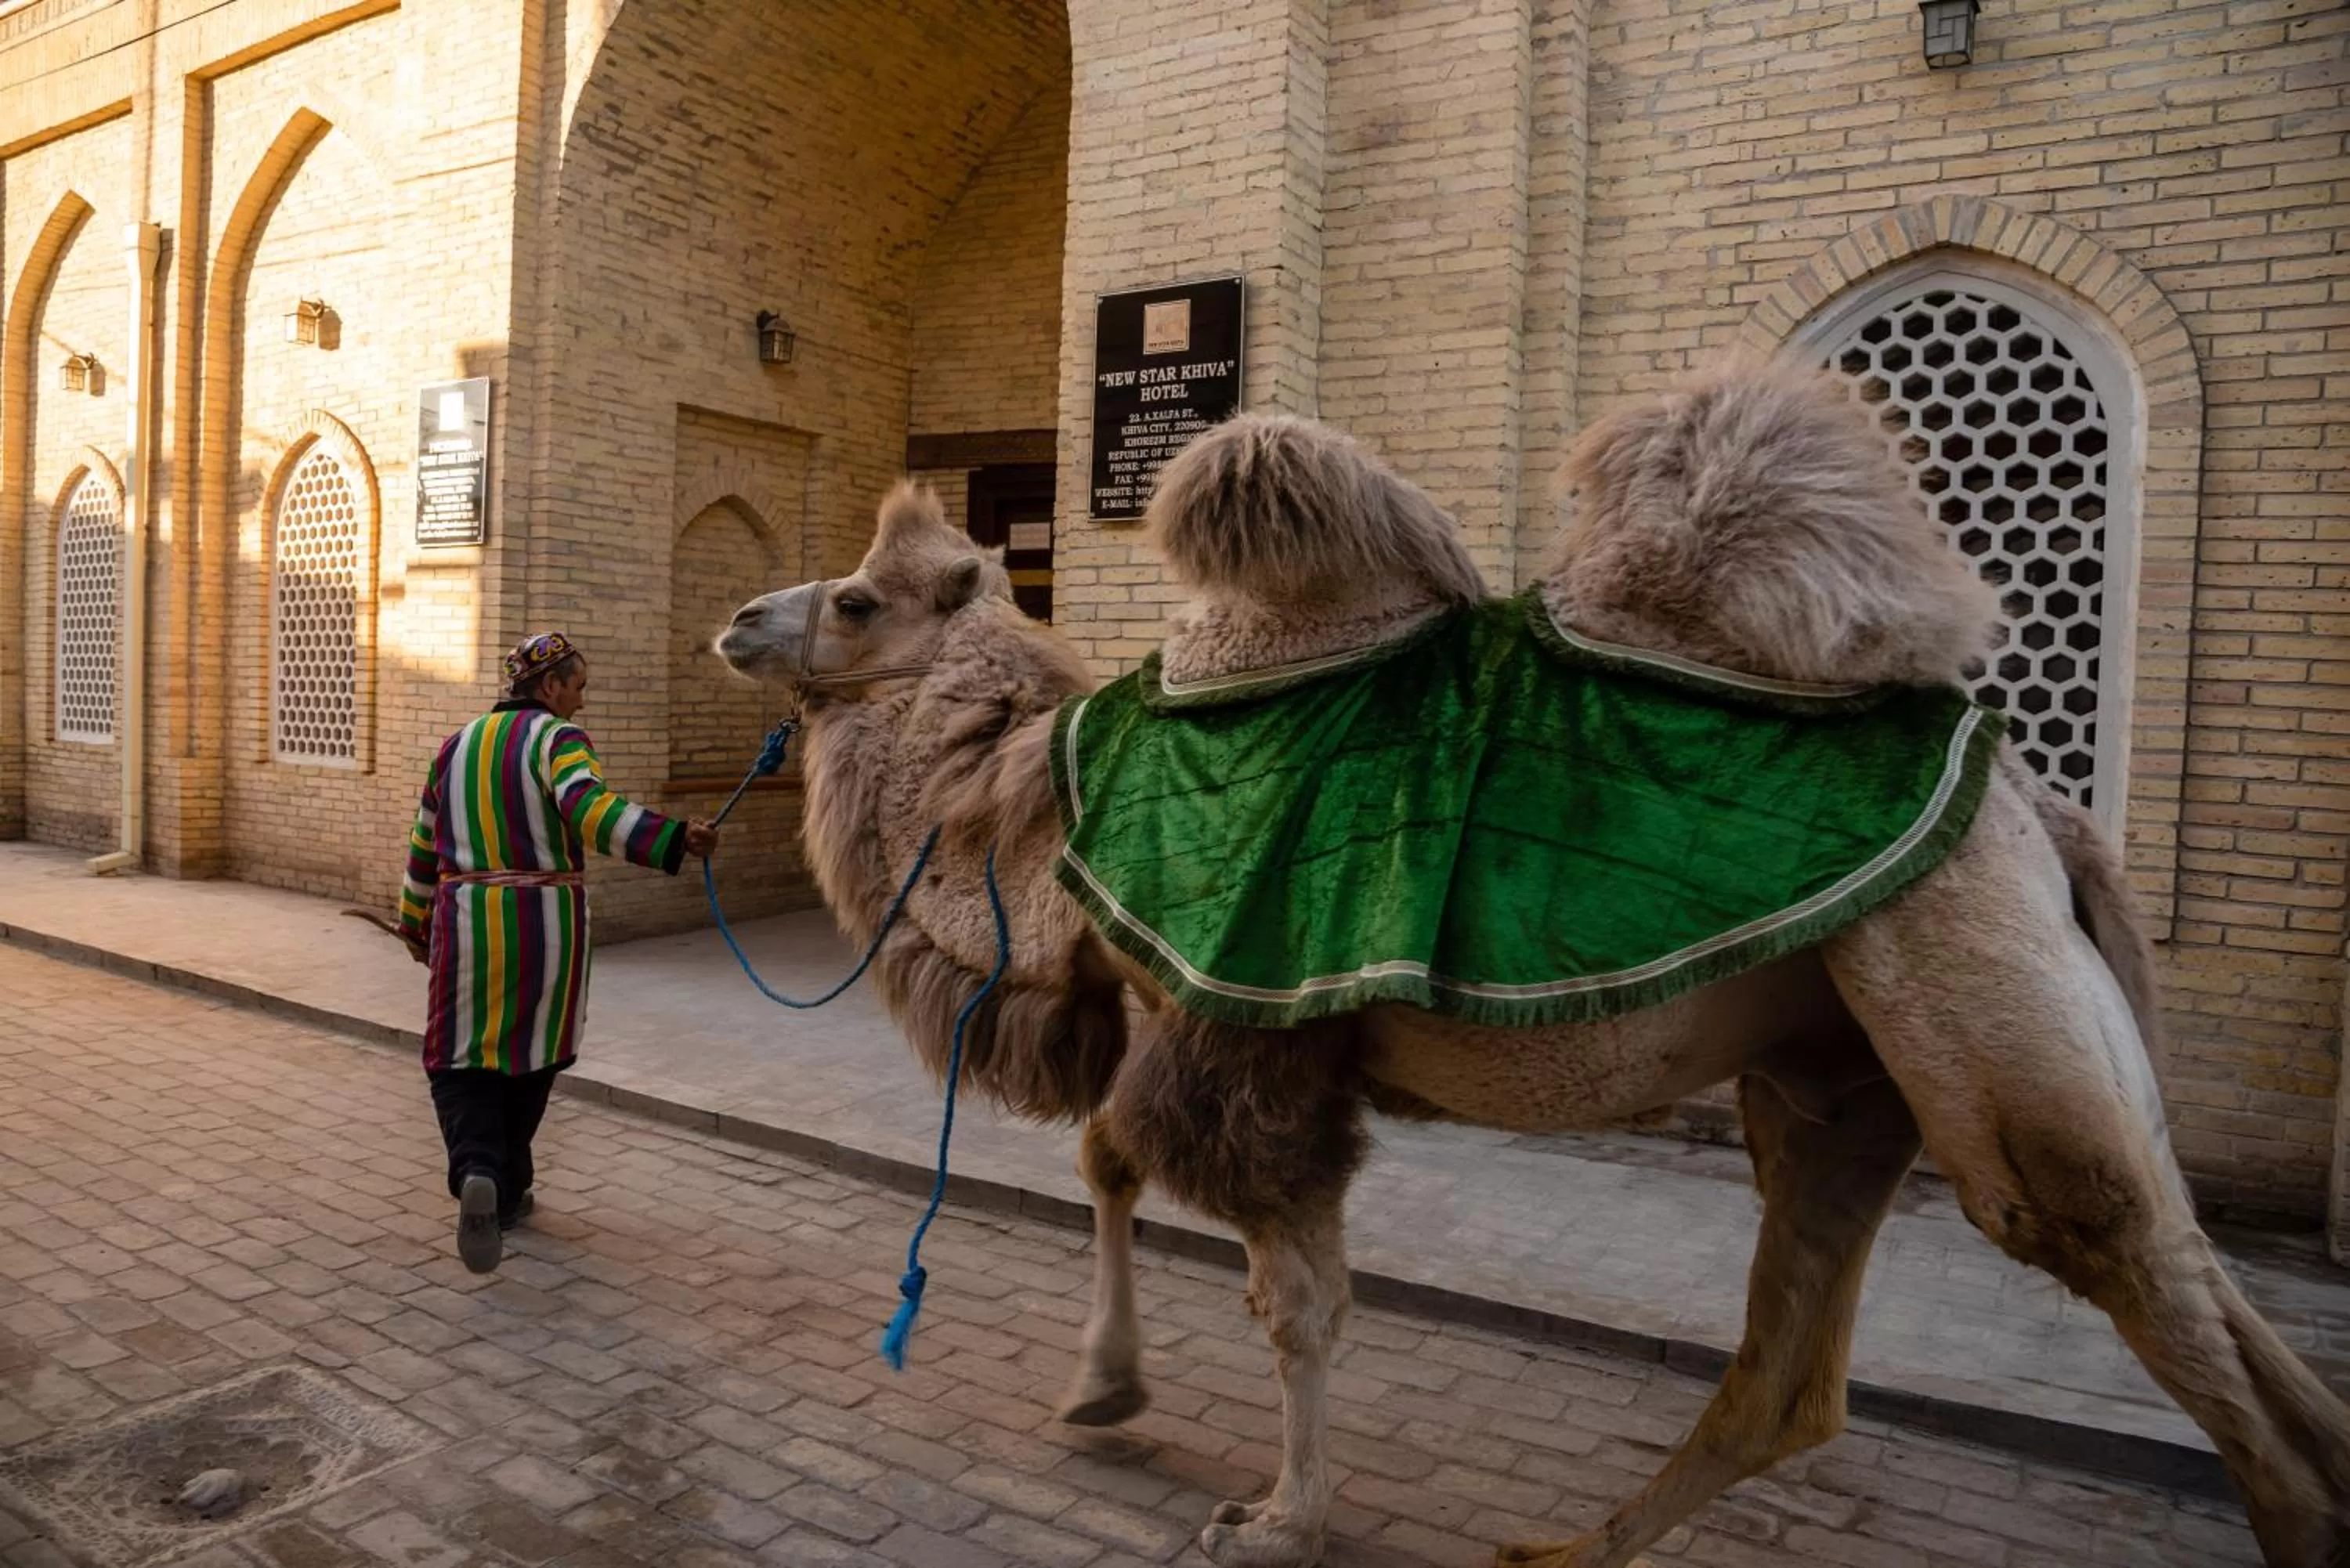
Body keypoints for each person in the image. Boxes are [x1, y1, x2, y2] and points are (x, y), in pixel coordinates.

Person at [396, 632, 718, 1273]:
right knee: (532, 1056)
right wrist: (675, 838)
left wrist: (414, 923)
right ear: (549, 687)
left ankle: (478, 1169)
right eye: (578, 688)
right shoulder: (559, 739)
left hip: (467, 923)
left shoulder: (456, 746)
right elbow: (590, 811)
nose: (581, 702)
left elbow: (424, 842)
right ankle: (509, 1187)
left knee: (459, 1058)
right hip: (548, 928)